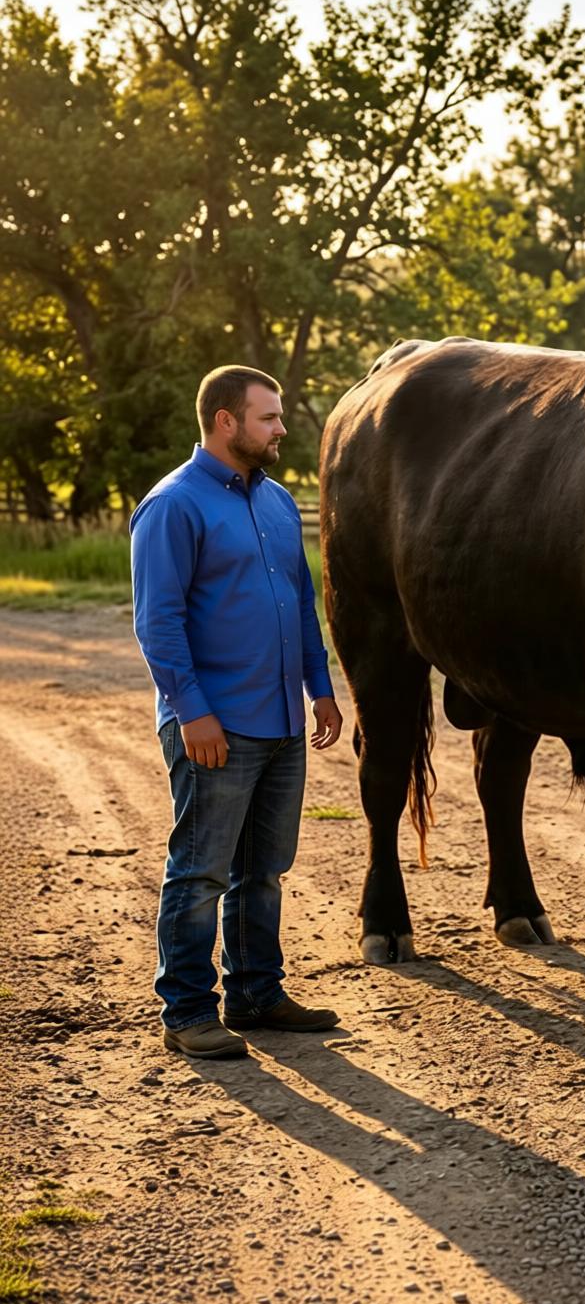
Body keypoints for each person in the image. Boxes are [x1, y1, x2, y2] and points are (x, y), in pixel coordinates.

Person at [130, 365, 345, 1059]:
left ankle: (256, 993)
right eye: (269, 418)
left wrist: (320, 686)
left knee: (264, 868)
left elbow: (300, 604)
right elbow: (157, 622)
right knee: (200, 871)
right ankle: (188, 1011)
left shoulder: (279, 502)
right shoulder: (173, 505)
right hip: (215, 722)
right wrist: (191, 711)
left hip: (282, 718)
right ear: (226, 421)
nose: (282, 429)